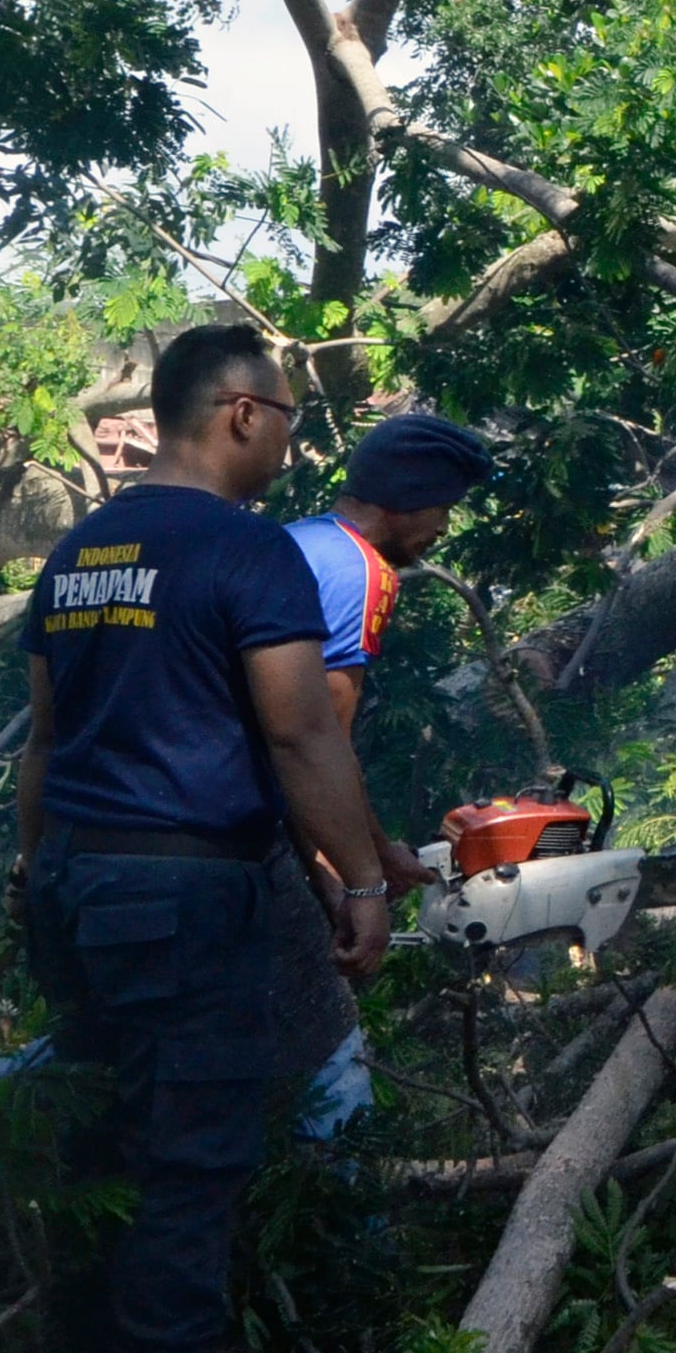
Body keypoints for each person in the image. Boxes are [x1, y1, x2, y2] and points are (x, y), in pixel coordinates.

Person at [13, 325, 395, 1353]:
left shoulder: (78, 553)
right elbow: (301, 731)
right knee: (190, 1166)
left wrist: (33, 883)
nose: (290, 443)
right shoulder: (247, 549)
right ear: (239, 413)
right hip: (180, 893)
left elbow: (45, 743)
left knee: (107, 1145)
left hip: (76, 883)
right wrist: (362, 884)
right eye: (287, 419)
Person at [270, 411, 493, 1133]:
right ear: (406, 498)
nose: (443, 528)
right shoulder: (362, 570)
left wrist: (376, 849)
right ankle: (345, 1189)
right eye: (442, 508)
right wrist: (352, 876)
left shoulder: (294, 540)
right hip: (248, 844)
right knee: (326, 1048)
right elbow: (318, 744)